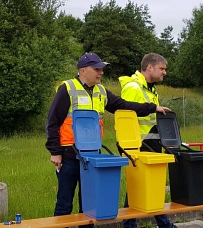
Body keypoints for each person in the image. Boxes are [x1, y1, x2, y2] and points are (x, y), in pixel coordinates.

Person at [45, 52, 170, 228]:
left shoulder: (101, 91)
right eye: (96, 69)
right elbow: (52, 122)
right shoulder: (67, 89)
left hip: (92, 157)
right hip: (69, 155)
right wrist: (55, 152)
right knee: (64, 203)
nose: (101, 72)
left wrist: (153, 107)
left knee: (88, 206)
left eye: (102, 69)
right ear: (82, 70)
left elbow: (125, 105)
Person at [118, 53, 177, 228]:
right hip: (139, 145)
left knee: (150, 187)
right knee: (140, 187)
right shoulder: (134, 88)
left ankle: (137, 224)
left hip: (152, 143)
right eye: (162, 68)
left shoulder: (150, 88)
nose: (164, 72)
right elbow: (126, 115)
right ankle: (138, 224)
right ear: (149, 67)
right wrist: (132, 146)